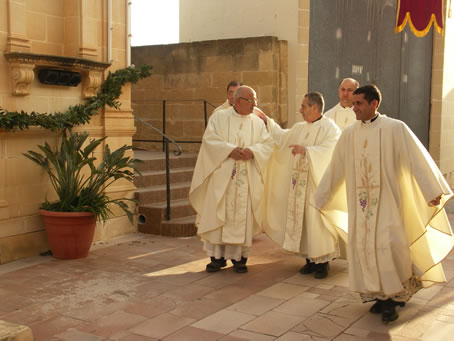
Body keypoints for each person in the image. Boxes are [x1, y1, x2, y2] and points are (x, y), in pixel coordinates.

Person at [314, 84, 454, 323]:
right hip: (361, 206)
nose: (354, 108)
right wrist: (321, 196)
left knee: (388, 247)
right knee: (365, 249)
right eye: (354, 103)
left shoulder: (395, 129)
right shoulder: (349, 133)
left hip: (388, 203)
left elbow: (416, 159)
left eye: (359, 104)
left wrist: (431, 189)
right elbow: (336, 168)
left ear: (374, 104)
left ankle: (392, 298)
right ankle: (379, 295)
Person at [189, 85, 274, 273]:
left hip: (246, 178)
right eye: (250, 100)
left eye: (255, 100)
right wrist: (229, 150)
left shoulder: (258, 122)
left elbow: (267, 144)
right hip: (223, 179)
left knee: (241, 217)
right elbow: (209, 140)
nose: (255, 104)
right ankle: (217, 259)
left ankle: (240, 259)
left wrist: (253, 151)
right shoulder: (219, 117)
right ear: (237, 101)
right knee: (220, 214)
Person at [261, 92, 344, 279]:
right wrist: (267, 121)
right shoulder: (300, 128)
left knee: (316, 222)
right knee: (303, 222)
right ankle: (308, 259)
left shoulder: (330, 128)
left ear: (314, 108)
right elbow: (282, 138)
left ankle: (322, 263)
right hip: (299, 186)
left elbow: (332, 150)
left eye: (303, 106)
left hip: (316, 185)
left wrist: (307, 151)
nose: (300, 110)